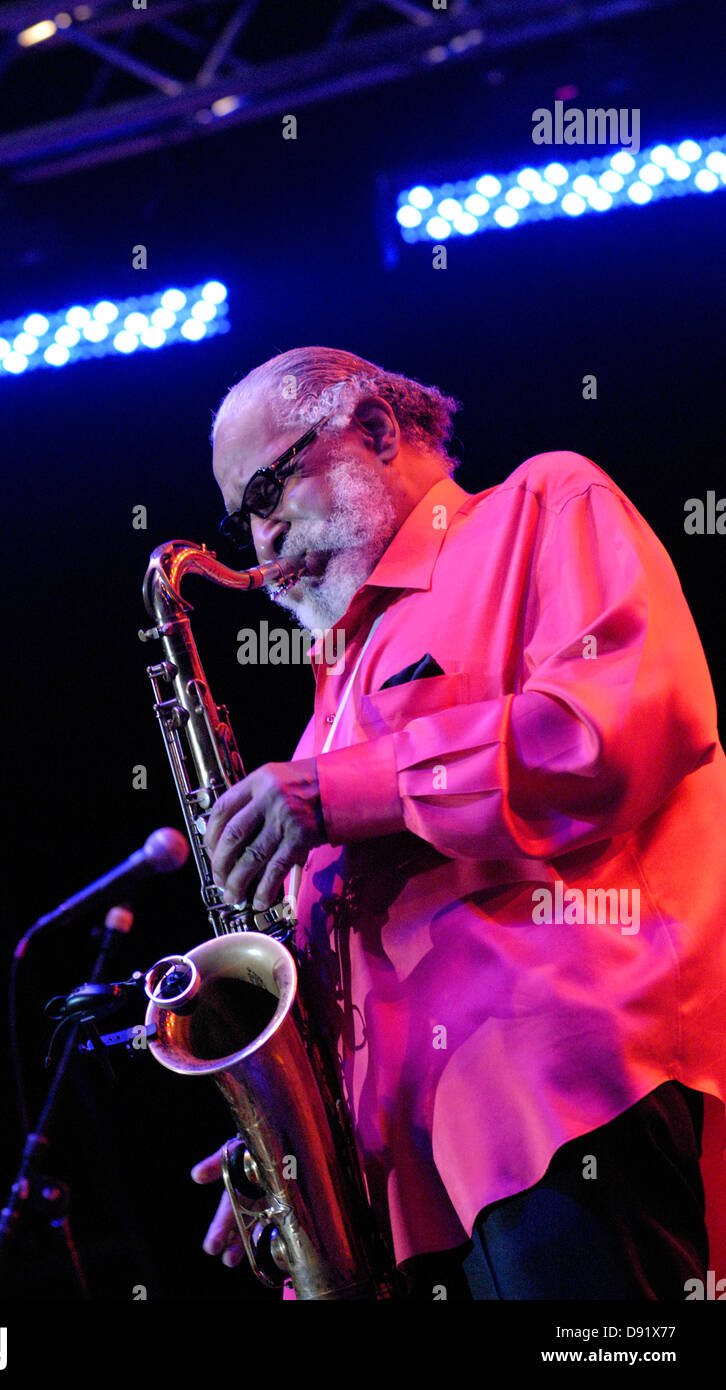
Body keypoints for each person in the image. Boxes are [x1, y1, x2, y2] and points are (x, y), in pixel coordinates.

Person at [189, 346, 726, 1299]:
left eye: (268, 493)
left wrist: (344, 789)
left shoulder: (542, 507)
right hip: (406, 1195)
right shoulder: (331, 698)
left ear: (375, 430)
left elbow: (606, 735)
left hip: (559, 1109)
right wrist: (291, 1142)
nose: (262, 548)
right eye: (242, 523)